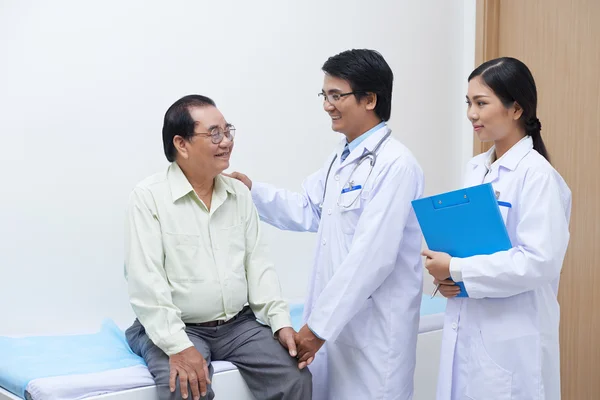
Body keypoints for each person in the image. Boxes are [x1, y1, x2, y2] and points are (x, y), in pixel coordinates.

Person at [228, 49, 425, 400]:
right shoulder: (342, 156)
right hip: (339, 325)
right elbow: (309, 209)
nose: (327, 105)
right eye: (325, 95)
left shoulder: (396, 165)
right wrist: (252, 192)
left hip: (375, 332)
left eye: (337, 96)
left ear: (370, 100)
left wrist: (317, 328)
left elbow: (371, 258)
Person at [124, 95, 312, 400]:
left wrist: (280, 324)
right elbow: (146, 282)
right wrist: (177, 345)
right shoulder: (148, 197)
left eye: (228, 131)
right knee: (185, 388)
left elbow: (259, 266)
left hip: (238, 325)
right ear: (181, 144)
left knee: (295, 378)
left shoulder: (239, 194)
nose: (225, 141)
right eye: (214, 134)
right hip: (180, 326)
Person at [423, 57, 571, 400]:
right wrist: (449, 279)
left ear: (515, 108)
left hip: (513, 339)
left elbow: (538, 262)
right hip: (470, 322)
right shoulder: (476, 169)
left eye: (481, 103)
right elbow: (473, 248)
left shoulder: (538, 176)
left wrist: (457, 268)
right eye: (468, 103)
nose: (471, 113)